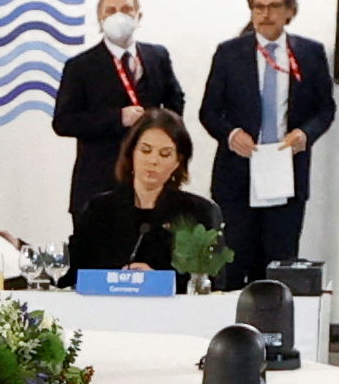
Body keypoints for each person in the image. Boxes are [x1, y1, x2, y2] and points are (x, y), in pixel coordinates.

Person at [198, 0, 336, 275]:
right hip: (238, 173)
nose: (265, 14)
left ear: (290, 12)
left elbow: (326, 109)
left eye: (274, 6)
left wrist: (306, 134)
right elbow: (208, 111)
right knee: (233, 265)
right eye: (258, 7)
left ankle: (273, 322)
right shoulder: (229, 53)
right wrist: (231, 134)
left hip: (286, 172)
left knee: (278, 265)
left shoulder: (310, 54)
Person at [48, 0, 187, 216]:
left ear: (138, 15)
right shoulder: (80, 66)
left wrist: (157, 124)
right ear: (100, 19)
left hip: (153, 185)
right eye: (110, 11)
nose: (119, 16)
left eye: (126, 9)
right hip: (99, 183)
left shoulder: (157, 56)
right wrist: (117, 118)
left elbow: (175, 100)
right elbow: (63, 122)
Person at [65, 110, 223, 276]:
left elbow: (212, 281)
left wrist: (158, 281)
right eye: (145, 151)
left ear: (178, 161)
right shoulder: (99, 210)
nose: (153, 161)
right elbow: (73, 276)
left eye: (165, 154)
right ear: (131, 152)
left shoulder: (199, 213)